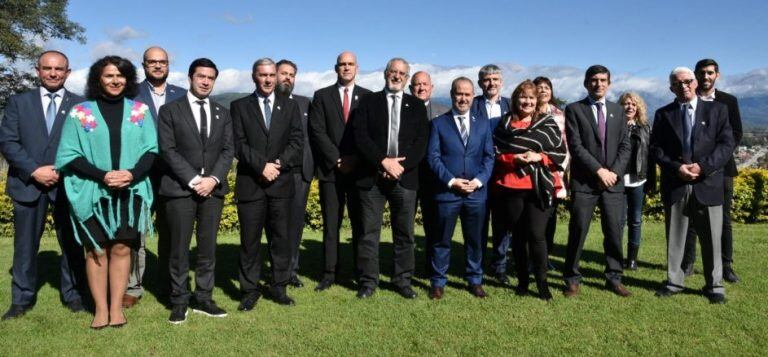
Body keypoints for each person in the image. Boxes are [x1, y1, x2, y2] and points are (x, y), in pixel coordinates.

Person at [55, 55, 158, 328]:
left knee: (123, 248)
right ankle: (100, 309)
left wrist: (131, 174)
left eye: (120, 75)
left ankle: (116, 308)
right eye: (109, 75)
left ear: (128, 79)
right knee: (96, 250)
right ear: (98, 79)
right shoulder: (81, 112)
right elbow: (68, 154)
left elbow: (151, 150)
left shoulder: (140, 111)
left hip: (130, 190)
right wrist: (103, 175)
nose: (115, 80)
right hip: (93, 192)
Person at [0, 50, 86, 320]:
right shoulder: (18, 102)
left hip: (67, 184)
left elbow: (85, 146)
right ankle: (21, 300)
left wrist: (60, 170)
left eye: (59, 69)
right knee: (25, 247)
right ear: (37, 70)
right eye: (47, 68)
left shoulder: (81, 105)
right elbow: (8, 142)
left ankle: (73, 295)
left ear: (67, 72)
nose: (53, 73)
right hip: (28, 184)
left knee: (72, 244)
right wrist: (35, 170)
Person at [158, 58, 233, 324]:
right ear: (190, 77)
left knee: (207, 248)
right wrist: (193, 179)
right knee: (178, 249)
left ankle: (204, 297)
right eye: (200, 76)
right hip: (180, 189)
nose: (205, 81)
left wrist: (212, 179)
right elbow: (167, 150)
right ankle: (179, 300)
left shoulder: (221, 112)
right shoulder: (170, 110)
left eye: (210, 78)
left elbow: (227, 150)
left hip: (212, 190)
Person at [651, 67, 734, 304]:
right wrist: (677, 168)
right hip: (676, 182)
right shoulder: (663, 114)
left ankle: (714, 285)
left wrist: (703, 167)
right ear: (671, 88)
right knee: (676, 236)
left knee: (712, 238)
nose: (684, 86)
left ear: (695, 82)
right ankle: (674, 281)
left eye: (687, 81)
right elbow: (656, 148)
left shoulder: (718, 110)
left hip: (707, 182)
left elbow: (726, 145)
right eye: (678, 84)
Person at [352, 57, 429, 299]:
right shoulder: (368, 101)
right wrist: (382, 161)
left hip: (404, 179)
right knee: (368, 232)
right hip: (372, 177)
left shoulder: (416, 106)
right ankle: (368, 282)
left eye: (402, 74)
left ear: (407, 79)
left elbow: (421, 142)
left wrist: (399, 167)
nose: (396, 76)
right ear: (385, 74)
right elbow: (360, 136)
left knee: (404, 233)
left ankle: (402, 280)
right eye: (393, 72)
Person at [231, 58, 303, 309]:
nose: (269, 79)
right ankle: (249, 290)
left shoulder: (290, 106)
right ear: (254, 76)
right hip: (251, 182)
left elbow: (297, 141)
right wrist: (261, 166)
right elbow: (238, 143)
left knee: (281, 239)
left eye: (272, 75)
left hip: (281, 184)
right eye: (263, 75)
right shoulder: (239, 106)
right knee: (250, 241)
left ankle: (279, 286)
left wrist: (278, 164)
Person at [493, 80, 566, 301]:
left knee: (536, 235)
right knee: (518, 236)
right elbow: (496, 150)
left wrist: (539, 156)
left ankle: (542, 282)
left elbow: (560, 152)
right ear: (516, 100)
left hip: (539, 185)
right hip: (512, 184)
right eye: (523, 97)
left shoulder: (547, 122)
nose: (527, 101)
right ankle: (523, 281)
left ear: (537, 101)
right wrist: (512, 158)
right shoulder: (505, 123)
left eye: (531, 98)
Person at [562, 65, 632, 298]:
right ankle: (571, 278)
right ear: (586, 83)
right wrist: (599, 171)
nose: (598, 84)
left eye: (603, 80)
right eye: (594, 80)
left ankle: (614, 277)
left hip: (613, 183)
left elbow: (625, 145)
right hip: (585, 183)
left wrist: (613, 173)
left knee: (613, 232)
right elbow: (576, 145)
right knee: (578, 230)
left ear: (609, 84)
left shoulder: (618, 111)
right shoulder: (574, 109)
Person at [126, 46, 187, 308]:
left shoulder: (182, 95)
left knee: (171, 232)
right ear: (144, 65)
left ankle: (168, 282)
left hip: (173, 175)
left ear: (169, 65)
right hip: (140, 174)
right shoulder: (131, 94)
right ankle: (133, 286)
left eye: (162, 62)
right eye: (153, 62)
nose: (158, 66)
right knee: (134, 233)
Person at [425, 77, 494, 300]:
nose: (463, 98)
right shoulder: (438, 123)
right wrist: (451, 180)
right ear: (452, 95)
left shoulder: (483, 124)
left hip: (476, 193)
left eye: (467, 94)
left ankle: (475, 279)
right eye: (458, 93)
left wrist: (479, 181)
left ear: (473, 96)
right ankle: (438, 281)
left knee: (475, 240)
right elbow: (433, 157)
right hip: (448, 193)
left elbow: (489, 157)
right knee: (441, 239)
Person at [308, 51, 371, 291]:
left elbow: (369, 133)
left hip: (358, 171)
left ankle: (360, 270)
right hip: (330, 172)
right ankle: (329, 273)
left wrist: (354, 159)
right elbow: (317, 131)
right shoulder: (321, 96)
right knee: (331, 225)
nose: (346, 68)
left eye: (350, 64)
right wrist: (336, 159)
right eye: (342, 64)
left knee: (360, 225)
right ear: (336, 68)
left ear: (357, 67)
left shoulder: (368, 97)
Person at [682, 59, 743, 283]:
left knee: (723, 220)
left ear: (717, 75)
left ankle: (726, 265)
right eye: (702, 73)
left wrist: (710, 163)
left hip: (722, 169)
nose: (706, 77)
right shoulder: (685, 98)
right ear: (695, 75)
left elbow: (735, 135)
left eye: (710, 73)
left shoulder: (728, 101)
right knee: (689, 218)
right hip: (689, 170)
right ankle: (687, 262)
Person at [471, 64, 512, 284]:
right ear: (480, 83)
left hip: (504, 172)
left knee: (502, 223)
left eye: (495, 79)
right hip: (478, 171)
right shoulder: (472, 104)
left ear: (501, 82)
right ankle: (476, 264)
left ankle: (499, 265)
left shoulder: (511, 105)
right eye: (487, 80)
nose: (491, 83)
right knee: (478, 221)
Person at [276, 59, 313, 288]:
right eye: (284, 73)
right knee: (275, 224)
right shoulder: (267, 103)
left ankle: (291, 270)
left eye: (292, 74)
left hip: (301, 174)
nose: (288, 78)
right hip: (276, 172)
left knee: (295, 224)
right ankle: (274, 268)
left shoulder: (304, 103)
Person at [534, 76, 568, 271]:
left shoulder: (559, 114)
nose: (544, 91)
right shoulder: (528, 113)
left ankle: (545, 257)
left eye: (547, 87)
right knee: (531, 217)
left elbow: (565, 145)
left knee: (550, 217)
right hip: (532, 171)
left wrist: (561, 170)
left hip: (554, 172)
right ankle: (532, 257)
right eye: (540, 88)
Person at [618, 92, 652, 270]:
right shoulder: (614, 127)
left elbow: (649, 157)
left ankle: (632, 260)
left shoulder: (645, 128)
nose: (630, 107)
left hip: (638, 181)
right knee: (619, 221)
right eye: (626, 103)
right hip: (618, 181)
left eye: (633, 104)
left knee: (636, 220)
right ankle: (616, 257)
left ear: (638, 107)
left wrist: (651, 182)